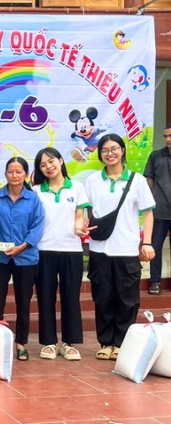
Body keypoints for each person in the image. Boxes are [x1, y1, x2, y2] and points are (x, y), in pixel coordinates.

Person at [84, 134, 155, 361]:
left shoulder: (137, 180)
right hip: (99, 249)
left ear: (122, 151)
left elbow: (148, 212)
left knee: (127, 299)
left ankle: (122, 343)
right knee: (102, 297)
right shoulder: (93, 180)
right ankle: (106, 342)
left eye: (114, 149)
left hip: (126, 249)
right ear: (100, 154)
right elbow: (88, 212)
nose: (110, 153)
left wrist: (147, 242)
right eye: (105, 150)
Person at [0, 157, 44, 361]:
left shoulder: (33, 199)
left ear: (26, 175)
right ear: (5, 174)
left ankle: (21, 343)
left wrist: (23, 246)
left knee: (23, 301)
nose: (15, 175)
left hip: (26, 257)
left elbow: (37, 226)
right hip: (0, 257)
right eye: (11, 171)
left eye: (19, 172)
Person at [33, 147, 89, 361]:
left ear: (61, 160)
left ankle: (68, 343)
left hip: (71, 251)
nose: (48, 166)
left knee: (70, 298)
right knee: (45, 298)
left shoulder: (77, 187)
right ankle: (48, 342)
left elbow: (79, 215)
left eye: (51, 161)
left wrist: (78, 229)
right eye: (43, 164)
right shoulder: (36, 191)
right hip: (44, 250)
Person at [143, 125, 171, 295]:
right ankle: (155, 282)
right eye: (165, 136)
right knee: (156, 248)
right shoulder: (155, 156)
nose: (168, 139)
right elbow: (149, 180)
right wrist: (157, 197)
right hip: (160, 211)